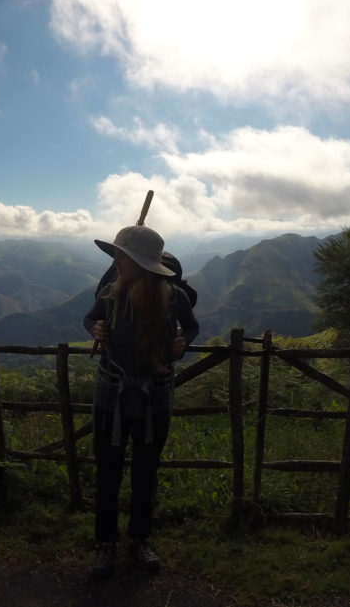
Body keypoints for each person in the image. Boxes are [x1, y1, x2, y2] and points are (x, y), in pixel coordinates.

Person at [82, 225, 200, 580]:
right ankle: (106, 544)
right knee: (108, 472)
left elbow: (191, 327)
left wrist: (182, 343)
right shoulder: (109, 294)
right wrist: (96, 330)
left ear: (140, 262)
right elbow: (90, 319)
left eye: (122, 255)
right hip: (112, 397)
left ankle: (139, 540)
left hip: (154, 396)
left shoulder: (174, 297)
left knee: (145, 473)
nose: (116, 261)